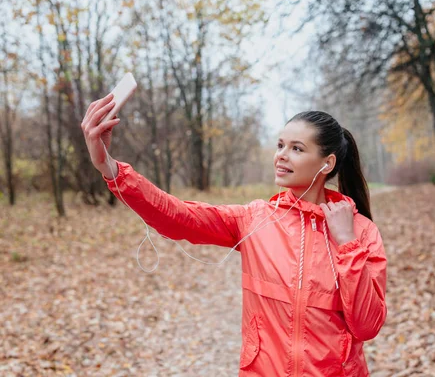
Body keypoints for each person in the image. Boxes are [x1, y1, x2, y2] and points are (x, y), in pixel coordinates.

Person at [81, 93, 387, 376]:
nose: (281, 155)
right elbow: (178, 215)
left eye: (297, 148)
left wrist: (347, 243)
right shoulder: (255, 218)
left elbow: (367, 325)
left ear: (327, 163)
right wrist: (110, 167)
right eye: (280, 145)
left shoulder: (361, 232)